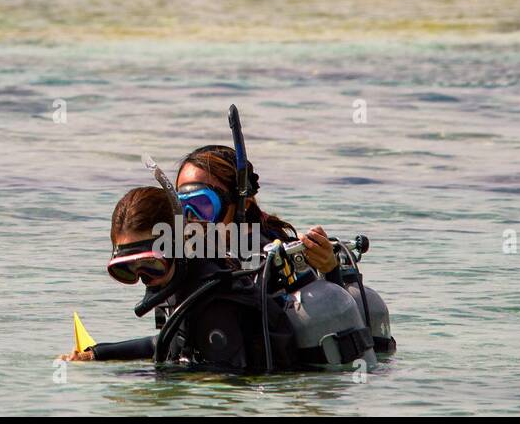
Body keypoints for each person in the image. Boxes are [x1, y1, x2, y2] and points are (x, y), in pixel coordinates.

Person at [59, 186, 297, 370]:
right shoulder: (181, 283)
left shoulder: (214, 303)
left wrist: (135, 381)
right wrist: (97, 354)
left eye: (151, 264)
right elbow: (165, 342)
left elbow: (225, 383)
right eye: (127, 269)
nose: (143, 278)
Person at [175, 144, 339, 274]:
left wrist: (329, 269)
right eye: (181, 205)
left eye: (204, 204)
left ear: (243, 204)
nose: (191, 217)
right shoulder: (178, 259)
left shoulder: (269, 260)